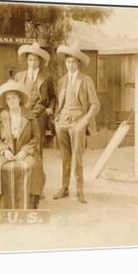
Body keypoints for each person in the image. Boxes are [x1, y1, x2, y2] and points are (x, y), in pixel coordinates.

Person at [53, 41, 100, 204]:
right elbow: (58, 103)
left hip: (78, 122)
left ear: (78, 63)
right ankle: (64, 188)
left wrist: (85, 121)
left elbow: (95, 104)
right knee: (65, 157)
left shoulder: (86, 80)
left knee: (77, 157)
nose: (70, 64)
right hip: (62, 123)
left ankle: (79, 190)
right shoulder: (61, 81)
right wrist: (56, 119)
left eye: (73, 61)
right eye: (68, 61)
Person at [0, 81, 46, 209]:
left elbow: (36, 136)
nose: (11, 101)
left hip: (25, 149)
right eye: (8, 99)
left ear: (20, 98)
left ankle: (30, 201)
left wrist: (25, 151)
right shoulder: (2, 116)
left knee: (32, 165)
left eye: (14, 97)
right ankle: (5, 202)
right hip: (7, 150)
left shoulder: (29, 115)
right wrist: (4, 151)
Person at [14, 42, 56, 158]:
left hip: (39, 116)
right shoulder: (19, 76)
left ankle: (38, 174)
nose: (33, 63)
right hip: (23, 115)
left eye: (36, 60)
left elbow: (53, 97)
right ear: (27, 60)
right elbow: (15, 96)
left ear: (40, 62)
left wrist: (50, 109)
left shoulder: (46, 77)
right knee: (22, 144)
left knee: (37, 146)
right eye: (31, 60)